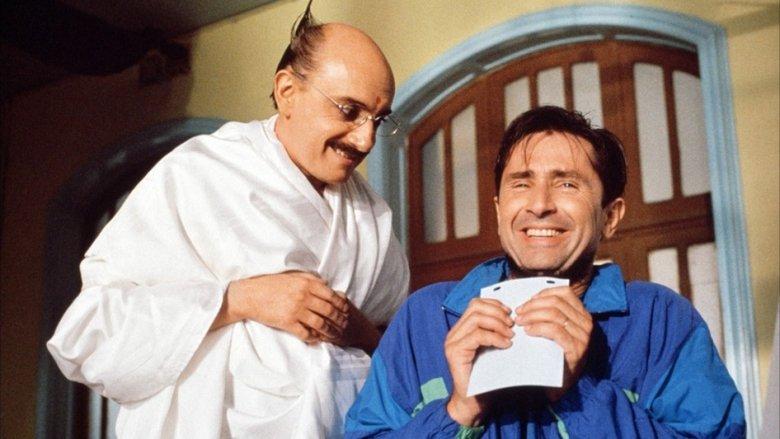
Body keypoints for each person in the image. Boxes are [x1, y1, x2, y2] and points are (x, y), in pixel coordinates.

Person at [47, 3, 409, 438]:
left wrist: (361, 332)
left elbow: (403, 353)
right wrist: (237, 300)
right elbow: (88, 334)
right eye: (349, 111)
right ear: (287, 91)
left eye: (378, 120)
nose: (365, 140)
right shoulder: (201, 174)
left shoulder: (370, 217)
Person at [345, 106, 745, 438]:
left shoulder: (661, 321)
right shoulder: (424, 319)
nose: (539, 205)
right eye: (521, 184)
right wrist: (459, 410)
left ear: (609, 217)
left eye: (567, 184)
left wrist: (580, 394)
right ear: (499, 210)